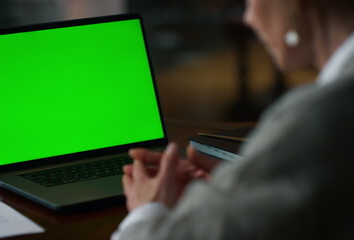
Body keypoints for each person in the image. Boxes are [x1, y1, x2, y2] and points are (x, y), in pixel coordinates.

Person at [112, 0, 354, 239]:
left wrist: (147, 209)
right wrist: (248, 186)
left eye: (250, 2)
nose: (249, 17)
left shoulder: (316, 119)